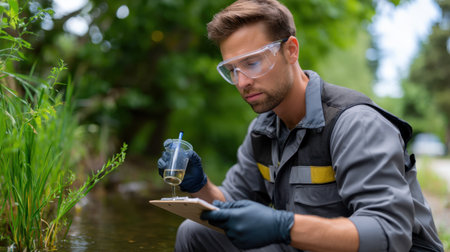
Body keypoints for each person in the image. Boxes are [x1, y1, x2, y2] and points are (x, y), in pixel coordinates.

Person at [157, 0, 444, 251]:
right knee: (196, 233)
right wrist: (199, 185)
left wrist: (284, 226)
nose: (242, 82)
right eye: (232, 70)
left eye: (253, 63)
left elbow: (389, 233)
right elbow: (227, 205)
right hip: (310, 247)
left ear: (291, 51)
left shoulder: (355, 123)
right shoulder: (263, 131)